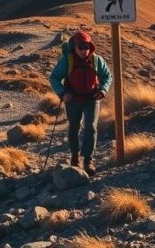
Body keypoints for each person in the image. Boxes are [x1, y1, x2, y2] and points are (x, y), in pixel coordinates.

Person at [48, 30, 112, 176]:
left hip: (92, 99)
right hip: (73, 100)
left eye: (87, 47)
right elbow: (54, 78)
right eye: (81, 48)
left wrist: (103, 90)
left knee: (91, 127)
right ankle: (75, 156)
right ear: (74, 47)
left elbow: (107, 76)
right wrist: (63, 93)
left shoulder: (96, 60)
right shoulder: (67, 61)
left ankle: (88, 160)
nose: (85, 51)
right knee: (74, 128)